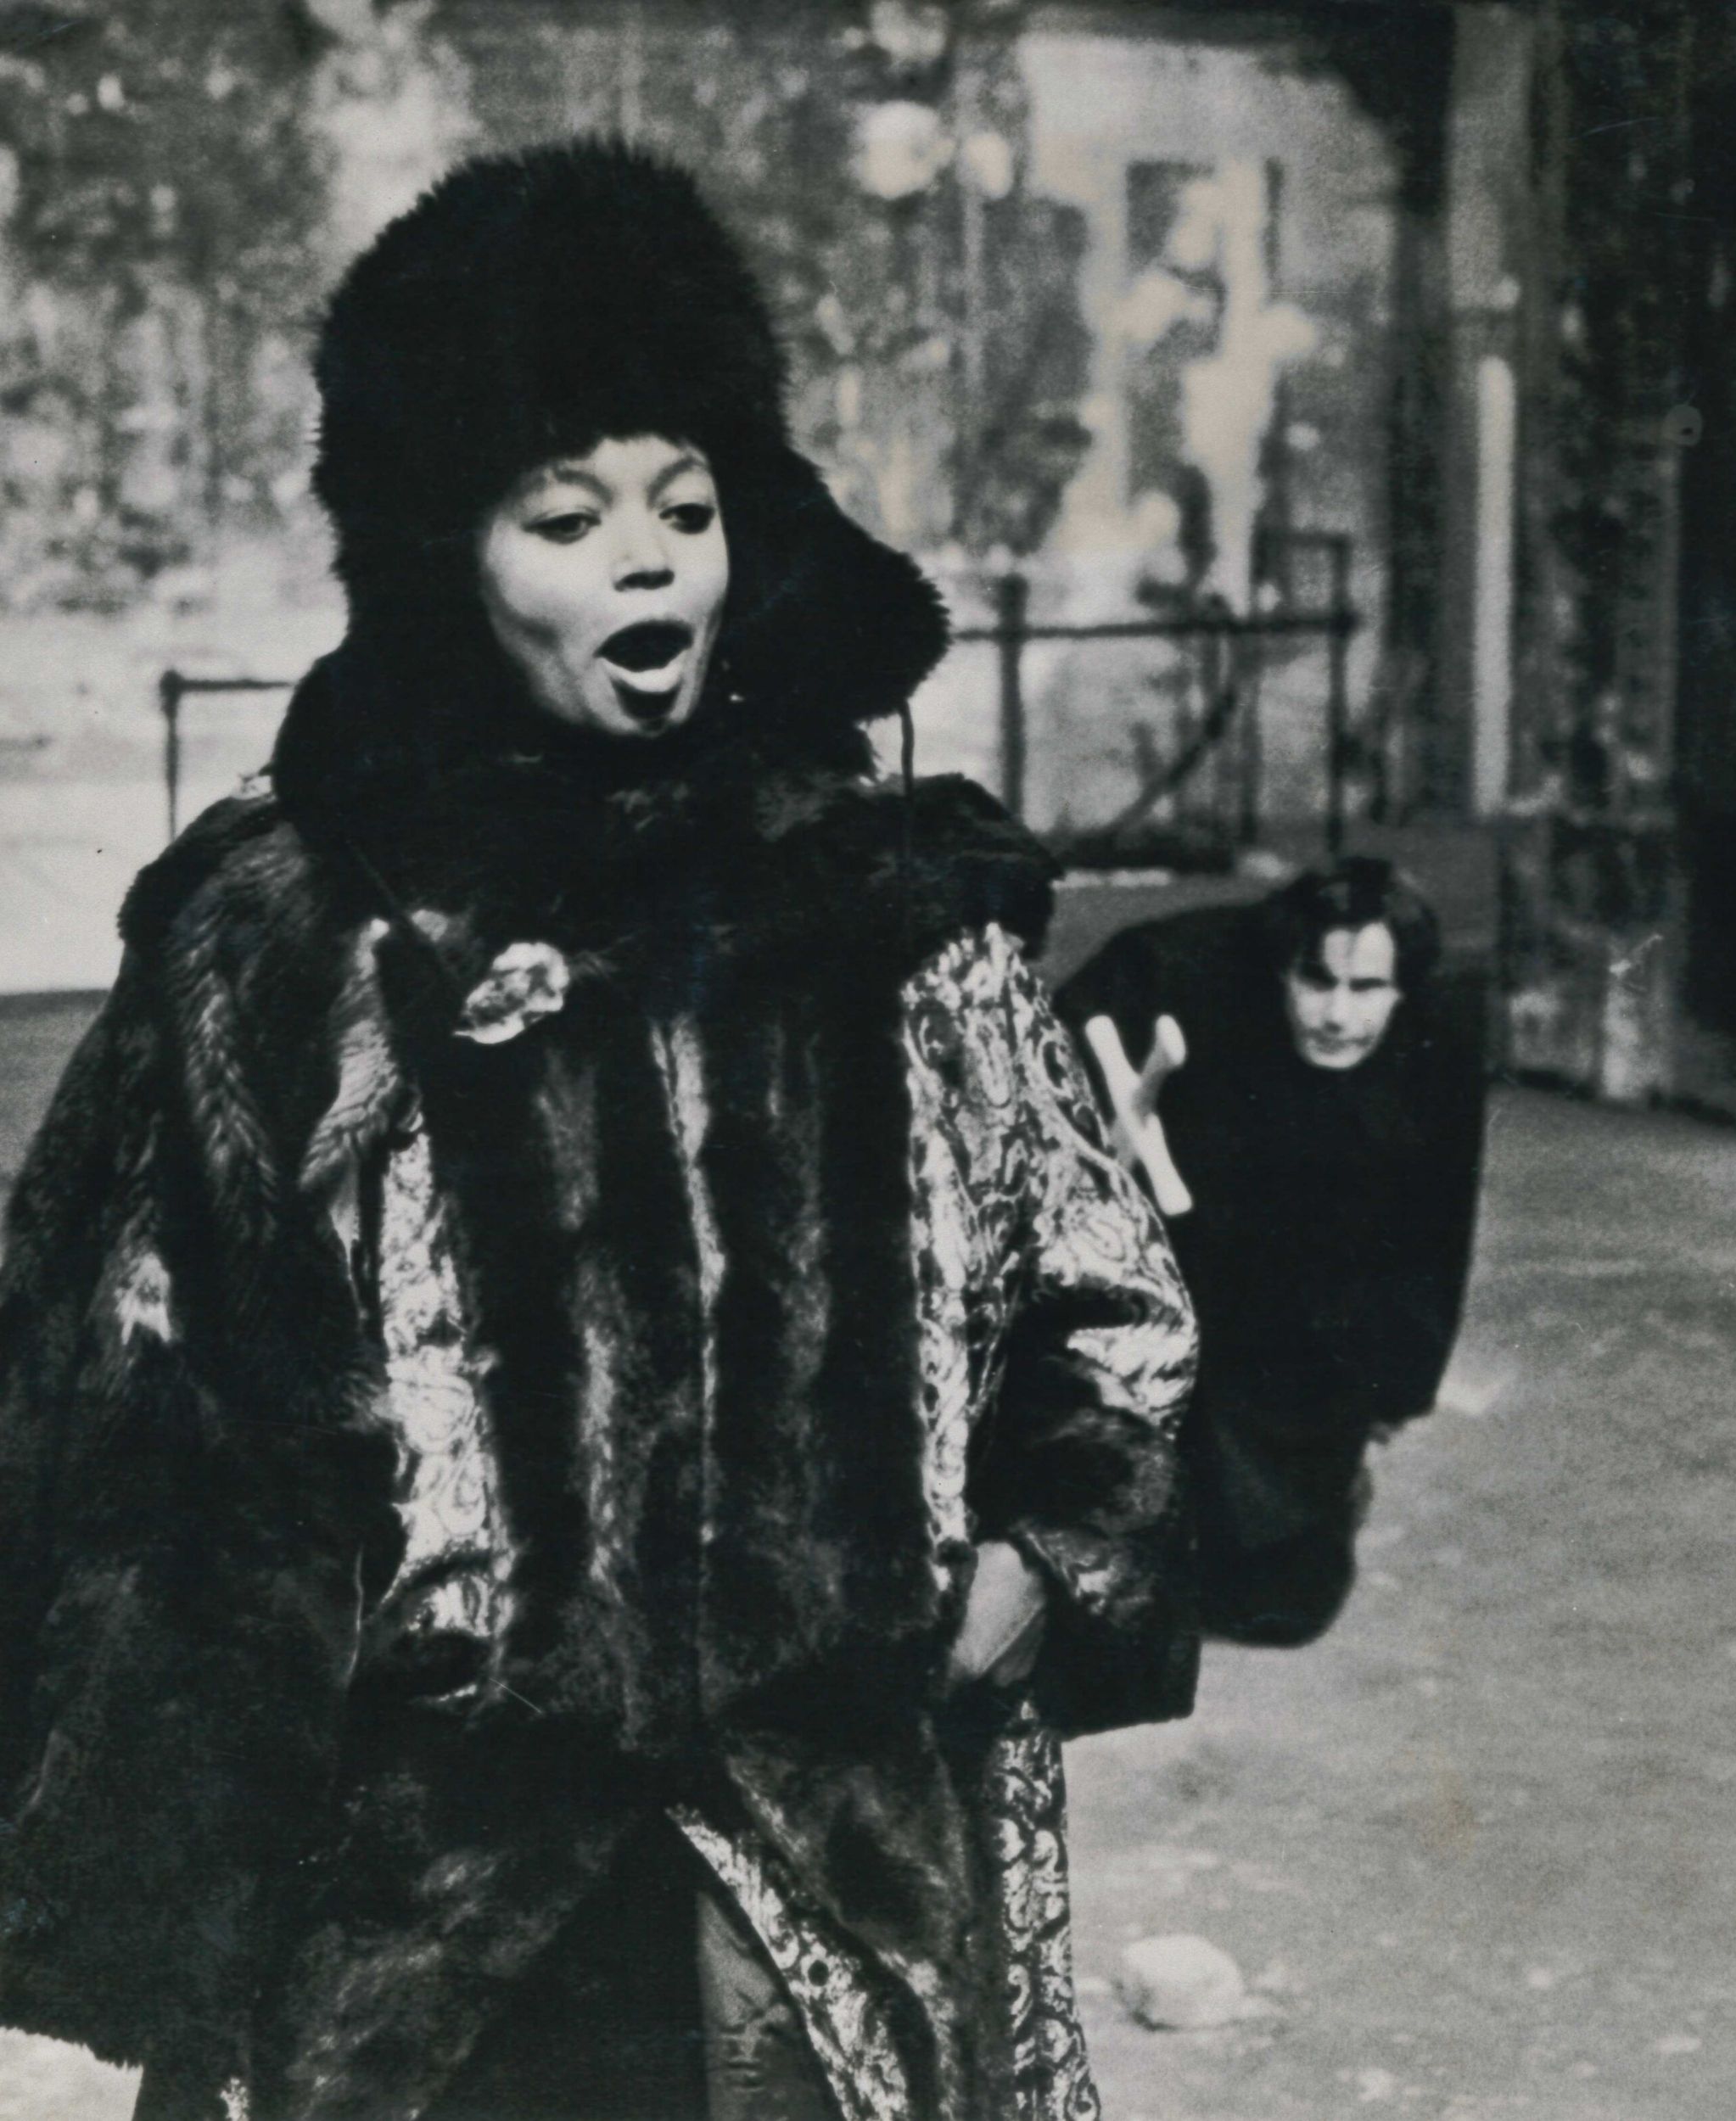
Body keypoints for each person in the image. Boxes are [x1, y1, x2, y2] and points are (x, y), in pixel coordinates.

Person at [0, 142, 1196, 2121]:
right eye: (566, 516)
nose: (647, 560)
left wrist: (1048, 1555)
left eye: (686, 506)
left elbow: (1109, 1295)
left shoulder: (886, 912)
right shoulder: (286, 940)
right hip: (421, 1903)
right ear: (446, 562)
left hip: (817, 1863)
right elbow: (132, 1413)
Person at [1056, 859, 1485, 1648]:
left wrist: (1395, 1394)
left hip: (1307, 1293)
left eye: (1367, 991)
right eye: (1317, 981)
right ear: (1282, 964)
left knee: (1286, 1608)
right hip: (1187, 1260)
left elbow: (1435, 1229)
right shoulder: (1173, 970)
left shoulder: (1439, 1041)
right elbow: (1053, 1062)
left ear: (1404, 989)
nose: (1337, 1014)